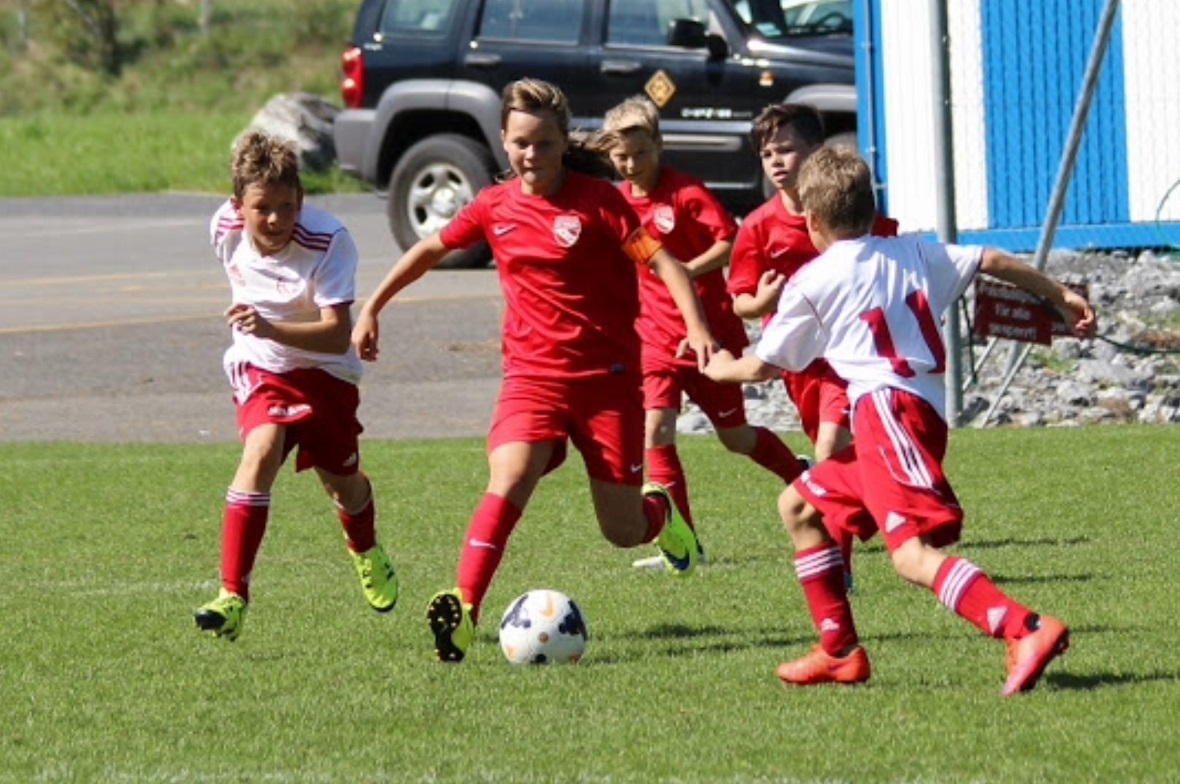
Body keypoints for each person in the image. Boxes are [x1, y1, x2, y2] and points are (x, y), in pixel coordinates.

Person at [705, 146, 1095, 694]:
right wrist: (1062, 295)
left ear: (811, 220)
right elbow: (991, 260)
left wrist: (720, 367)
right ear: (870, 208)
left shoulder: (812, 281)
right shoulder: (915, 251)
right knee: (798, 505)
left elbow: (764, 366)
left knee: (910, 557)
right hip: (911, 412)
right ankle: (838, 651)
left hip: (888, 411)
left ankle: (1022, 626)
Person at [352, 78, 716, 663]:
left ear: (561, 142)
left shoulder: (602, 203)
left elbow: (665, 263)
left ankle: (661, 513)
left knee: (622, 531)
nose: (532, 156)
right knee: (511, 473)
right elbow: (429, 250)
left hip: (608, 382)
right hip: (532, 379)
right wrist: (372, 307)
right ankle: (464, 610)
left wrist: (696, 326)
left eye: (545, 144)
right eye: (521, 143)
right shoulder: (493, 207)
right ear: (502, 139)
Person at [193, 130, 399, 642]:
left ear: (301, 200)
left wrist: (267, 326)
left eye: (287, 206)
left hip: (328, 372)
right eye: (263, 207)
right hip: (261, 367)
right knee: (260, 451)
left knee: (342, 483)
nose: (276, 220)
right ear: (238, 205)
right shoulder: (223, 228)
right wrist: (261, 338)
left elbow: (335, 336)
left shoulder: (329, 240)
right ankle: (232, 595)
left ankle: (366, 548)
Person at [595, 96, 807, 569]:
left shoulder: (686, 193)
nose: (631, 165)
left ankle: (803, 476)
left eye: (640, 153)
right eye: (621, 157)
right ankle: (682, 544)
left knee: (736, 438)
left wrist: (687, 270)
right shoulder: (616, 203)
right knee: (656, 429)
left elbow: (729, 240)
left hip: (709, 335)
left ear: (659, 145)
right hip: (653, 339)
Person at [727, 103, 899, 587]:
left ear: (816, 152)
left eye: (787, 149)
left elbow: (887, 260)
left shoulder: (849, 212)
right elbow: (739, 300)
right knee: (834, 458)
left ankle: (839, 562)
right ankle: (875, 506)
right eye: (766, 154)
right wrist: (756, 301)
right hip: (798, 367)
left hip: (849, 358)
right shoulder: (759, 226)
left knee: (829, 447)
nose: (777, 161)